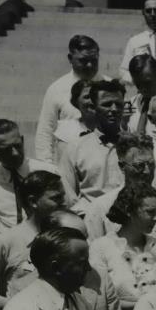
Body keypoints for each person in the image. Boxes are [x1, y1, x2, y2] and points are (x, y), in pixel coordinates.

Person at [0, 118, 60, 258]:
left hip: (50, 250)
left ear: (23, 140)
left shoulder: (49, 172)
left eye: (17, 146)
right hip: (11, 255)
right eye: (5, 150)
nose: (14, 153)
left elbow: (70, 207)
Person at [0, 170, 66, 310]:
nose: (64, 204)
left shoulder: (69, 236)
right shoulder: (8, 240)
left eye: (63, 198)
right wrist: (14, 306)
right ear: (33, 201)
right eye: (56, 199)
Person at [82, 133, 156, 242]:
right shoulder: (100, 208)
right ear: (122, 166)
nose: (147, 171)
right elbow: (93, 253)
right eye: (139, 166)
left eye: (151, 165)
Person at [87, 181, 156, 310]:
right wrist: (147, 306)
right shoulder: (101, 247)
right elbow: (99, 301)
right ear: (129, 211)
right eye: (150, 212)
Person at [58, 79, 128, 212]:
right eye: (107, 104)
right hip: (92, 221)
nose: (114, 109)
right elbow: (68, 195)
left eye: (118, 104)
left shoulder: (136, 146)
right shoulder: (75, 148)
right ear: (94, 107)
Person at [35, 35, 101, 163]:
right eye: (83, 60)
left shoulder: (109, 85)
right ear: (70, 59)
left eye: (94, 60)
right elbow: (45, 131)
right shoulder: (56, 89)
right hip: (68, 163)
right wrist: (46, 167)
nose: (89, 65)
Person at [54, 79, 97, 164]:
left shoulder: (109, 126)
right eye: (87, 97)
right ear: (76, 101)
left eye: (95, 96)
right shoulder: (66, 130)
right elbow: (64, 165)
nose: (92, 101)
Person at [123, 54, 156, 136]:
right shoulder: (132, 103)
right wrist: (123, 122)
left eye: (147, 83)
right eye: (138, 84)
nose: (143, 89)